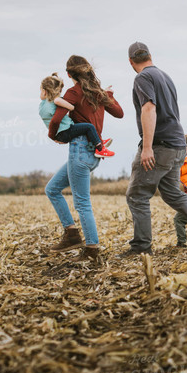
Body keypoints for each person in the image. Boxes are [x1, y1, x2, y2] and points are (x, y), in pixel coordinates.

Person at [122, 42, 187, 256]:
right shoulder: (165, 76)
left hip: (160, 145)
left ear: (131, 61)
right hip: (178, 145)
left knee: (137, 195)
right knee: (173, 194)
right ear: (150, 55)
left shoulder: (142, 77)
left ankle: (141, 247)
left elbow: (149, 108)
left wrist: (147, 147)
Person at [45, 56, 124, 263]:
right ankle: (71, 234)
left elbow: (56, 118)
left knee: (82, 203)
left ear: (69, 74)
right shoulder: (97, 93)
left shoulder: (73, 92)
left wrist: (53, 136)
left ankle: (91, 250)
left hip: (79, 150)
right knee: (52, 189)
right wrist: (108, 96)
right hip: (93, 152)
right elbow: (120, 113)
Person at [39, 73, 115, 158]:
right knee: (89, 127)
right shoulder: (57, 100)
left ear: (45, 91)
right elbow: (70, 107)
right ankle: (100, 149)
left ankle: (97, 140)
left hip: (59, 134)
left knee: (82, 127)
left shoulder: (42, 105)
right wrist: (70, 105)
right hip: (65, 131)